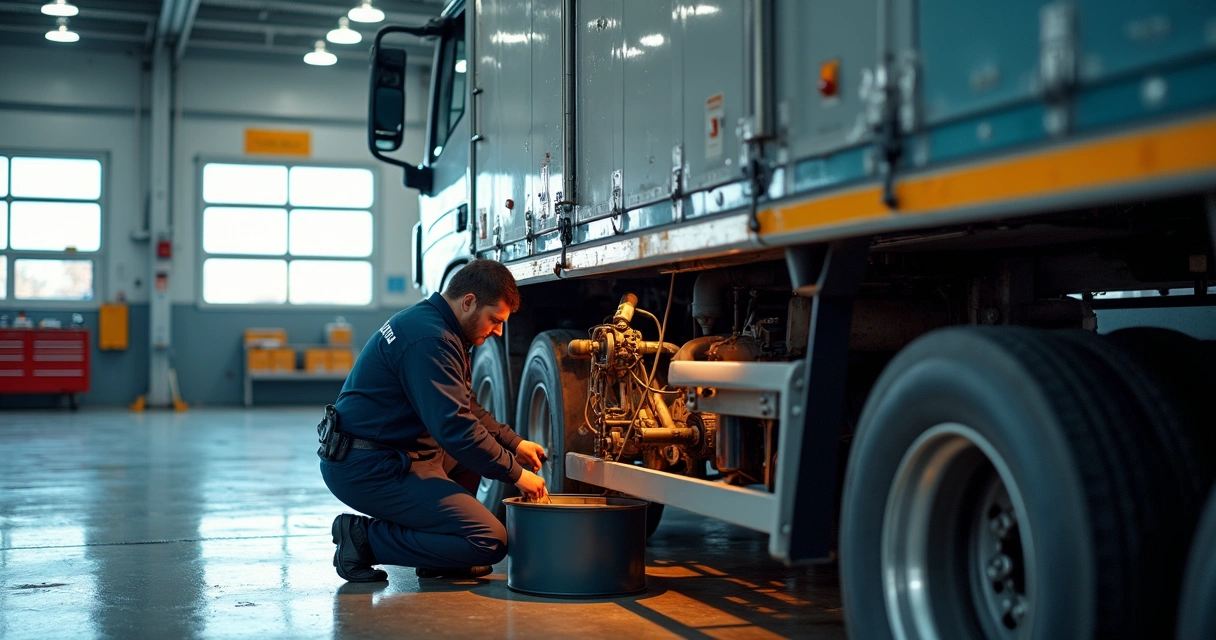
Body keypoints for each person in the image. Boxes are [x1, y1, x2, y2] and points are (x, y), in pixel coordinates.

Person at [319, 259, 548, 582]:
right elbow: (456, 429)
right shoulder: (430, 339)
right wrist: (516, 474)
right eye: (495, 320)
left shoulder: (436, 326)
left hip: (395, 452)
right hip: (368, 465)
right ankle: (361, 538)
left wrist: (514, 443)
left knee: (473, 457)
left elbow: (464, 406)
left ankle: (440, 555)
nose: (498, 331)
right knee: (488, 541)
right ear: (468, 302)